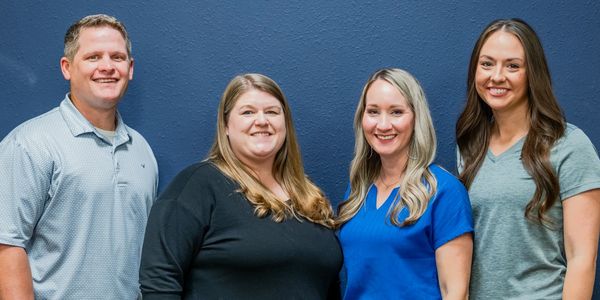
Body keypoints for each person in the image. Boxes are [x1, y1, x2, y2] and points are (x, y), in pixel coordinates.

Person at [139, 73, 342, 299]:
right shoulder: (198, 186)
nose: (262, 121)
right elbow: (159, 281)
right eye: (248, 112)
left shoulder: (310, 198)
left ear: (286, 124)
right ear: (226, 126)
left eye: (272, 112)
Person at [0, 14, 158, 299]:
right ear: (67, 67)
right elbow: (7, 247)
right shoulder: (29, 144)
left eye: (117, 57)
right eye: (93, 57)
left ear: (130, 68)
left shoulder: (141, 150)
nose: (107, 67)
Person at [456, 18, 600, 299]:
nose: (497, 76)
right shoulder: (469, 147)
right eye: (487, 64)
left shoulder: (569, 145)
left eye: (513, 66)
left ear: (532, 73)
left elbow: (582, 258)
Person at [336, 68, 473, 299]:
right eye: (373, 112)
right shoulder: (358, 190)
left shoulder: (444, 192)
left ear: (416, 118)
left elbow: (455, 292)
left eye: (396, 112)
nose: (383, 124)